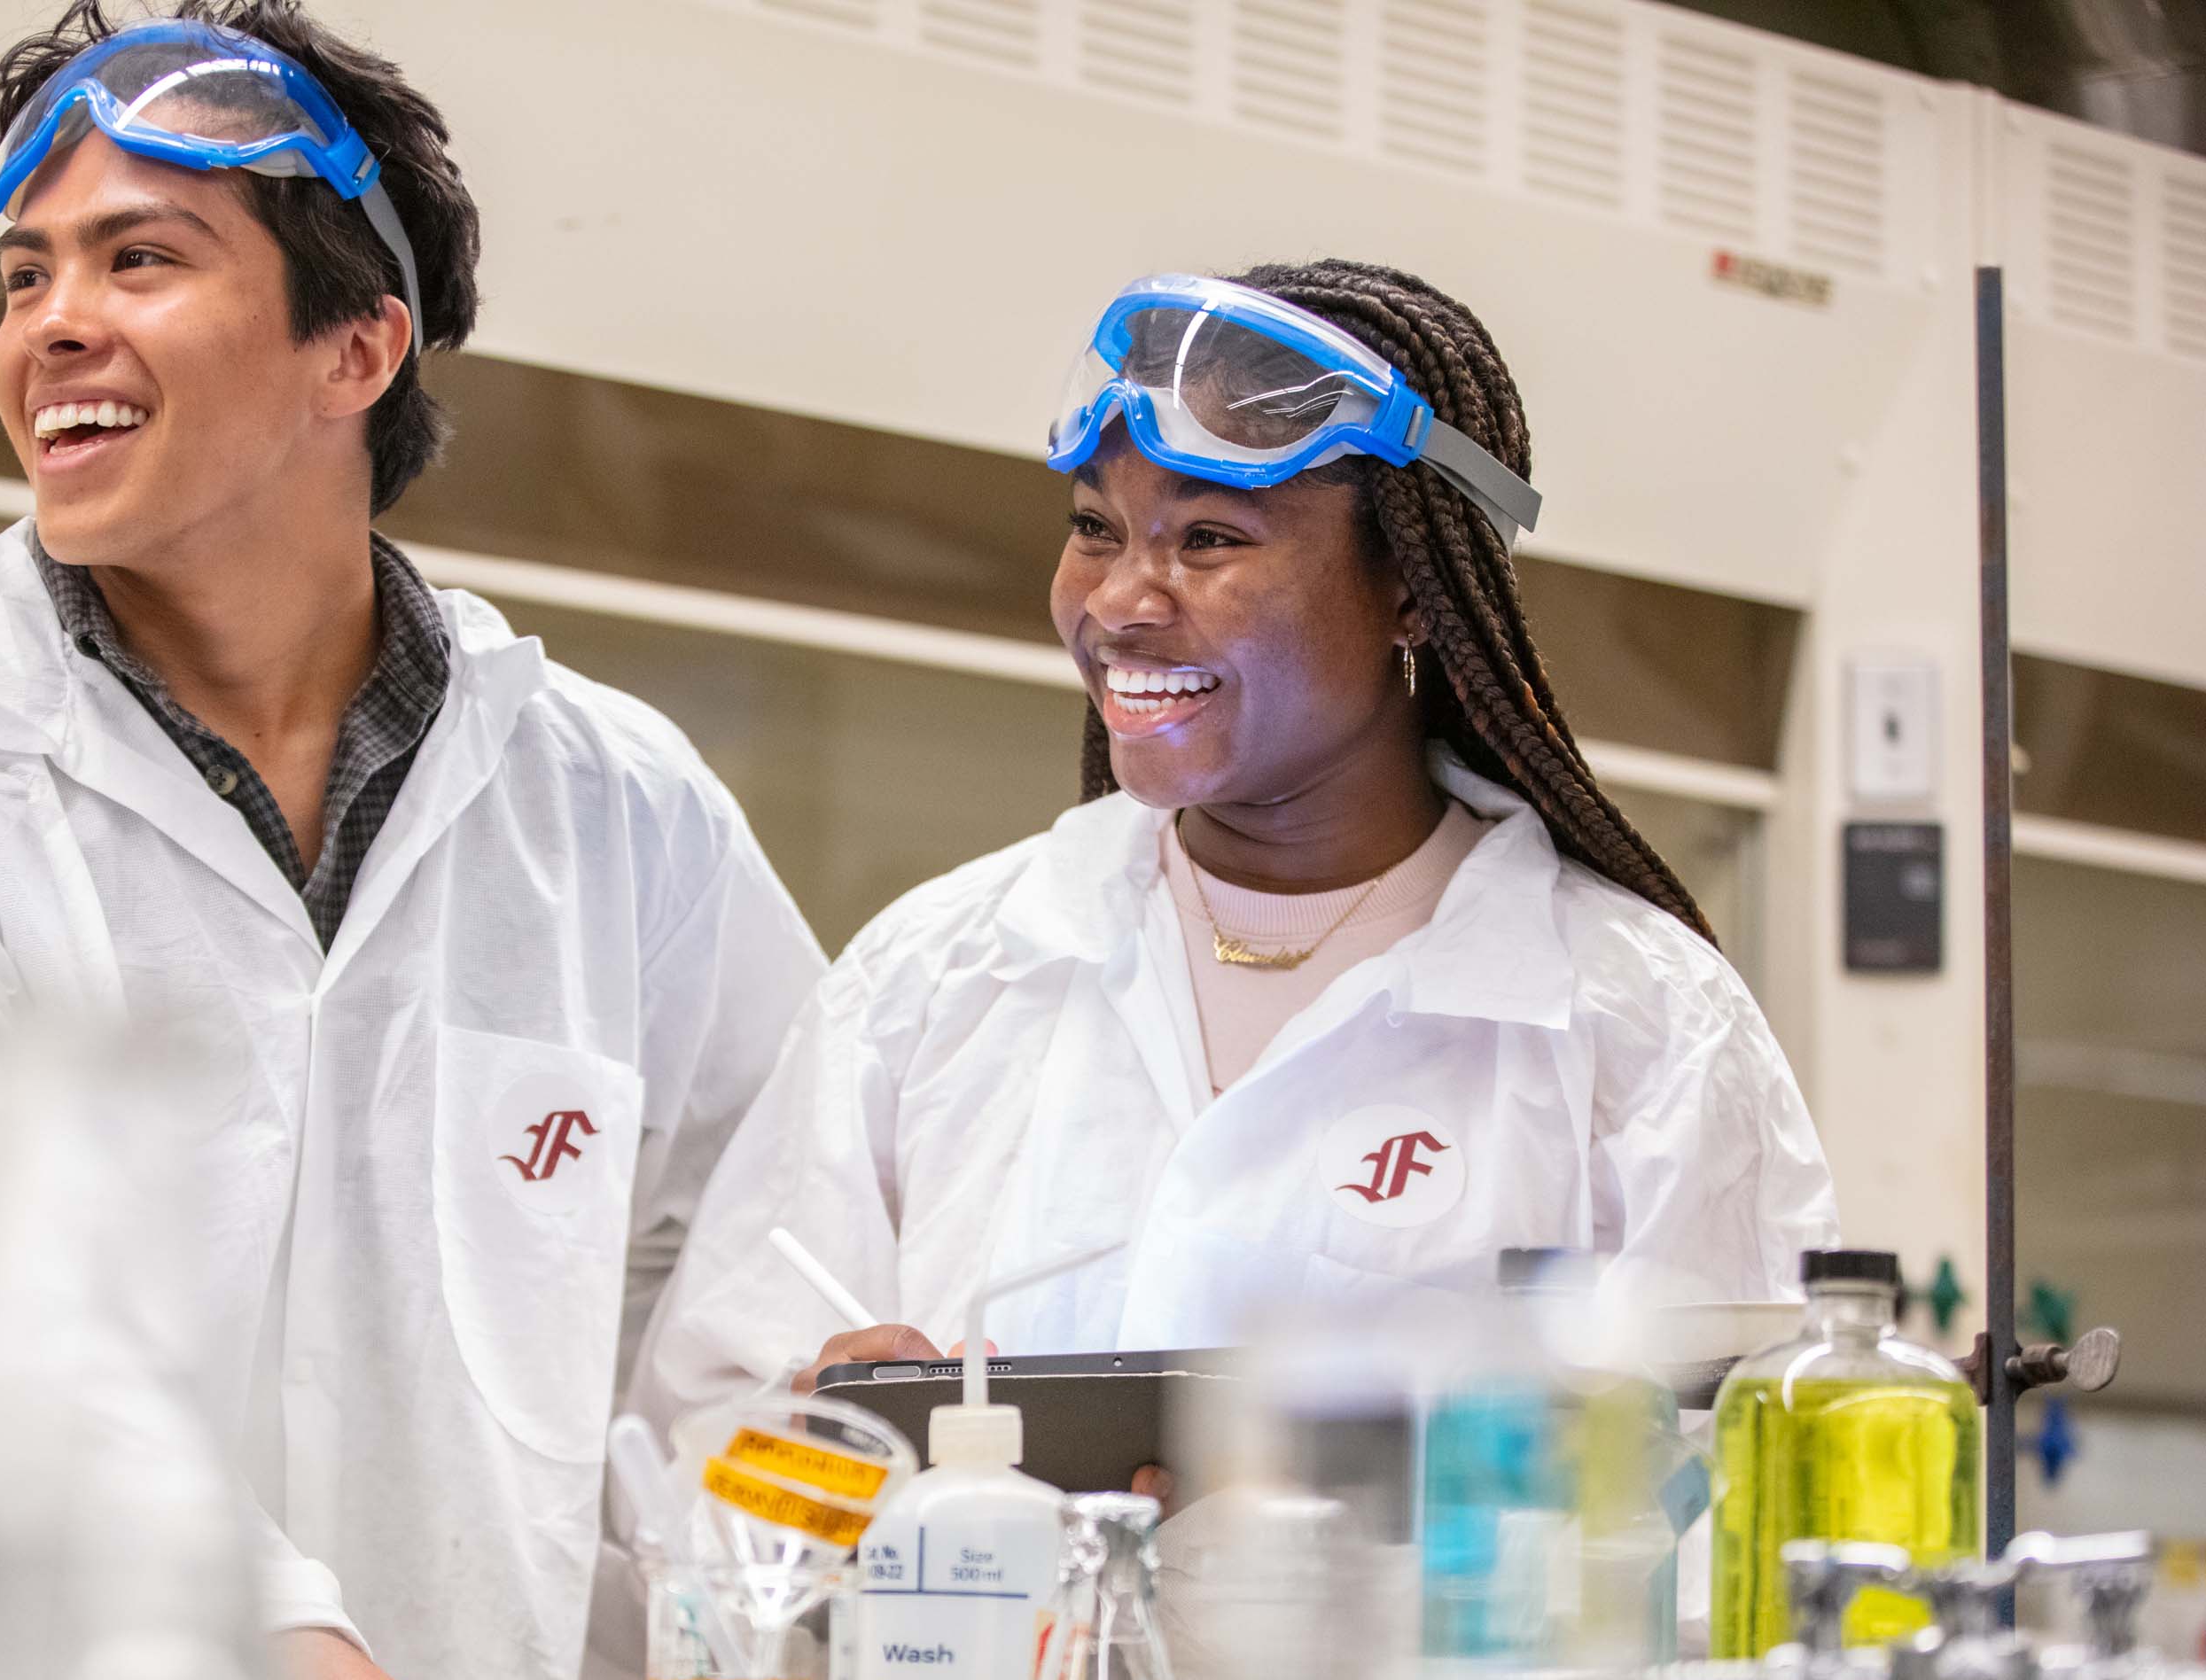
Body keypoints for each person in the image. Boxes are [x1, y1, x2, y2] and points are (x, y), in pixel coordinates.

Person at [0, 0, 818, 1680]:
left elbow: (781, 1277)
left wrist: (629, 1672)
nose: (53, 322)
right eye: (25, 273)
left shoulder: (613, 808)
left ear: (355, 346)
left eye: (142, 258)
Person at [631, 261, 1833, 1445]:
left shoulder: (1639, 1023)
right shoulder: (935, 974)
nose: (1119, 602)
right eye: (1096, 528)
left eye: (1208, 537)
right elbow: (696, 1430)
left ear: (1416, 590)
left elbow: (1740, 1494)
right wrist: (821, 1452)